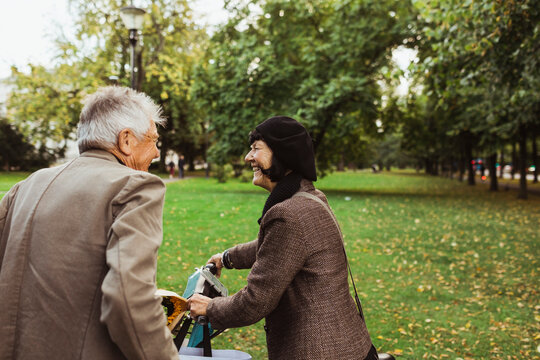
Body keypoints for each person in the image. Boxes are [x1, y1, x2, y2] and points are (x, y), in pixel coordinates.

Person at [0, 86, 178, 360]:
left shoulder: (27, 185)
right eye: (153, 140)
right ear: (126, 140)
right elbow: (129, 301)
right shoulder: (136, 187)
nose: (156, 153)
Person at [188, 116, 377, 359]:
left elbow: (255, 302)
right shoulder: (312, 197)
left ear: (282, 154)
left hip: (318, 351)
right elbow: (277, 249)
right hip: (351, 344)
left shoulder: (287, 214)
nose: (248, 157)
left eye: (256, 149)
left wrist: (209, 307)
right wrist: (226, 258)